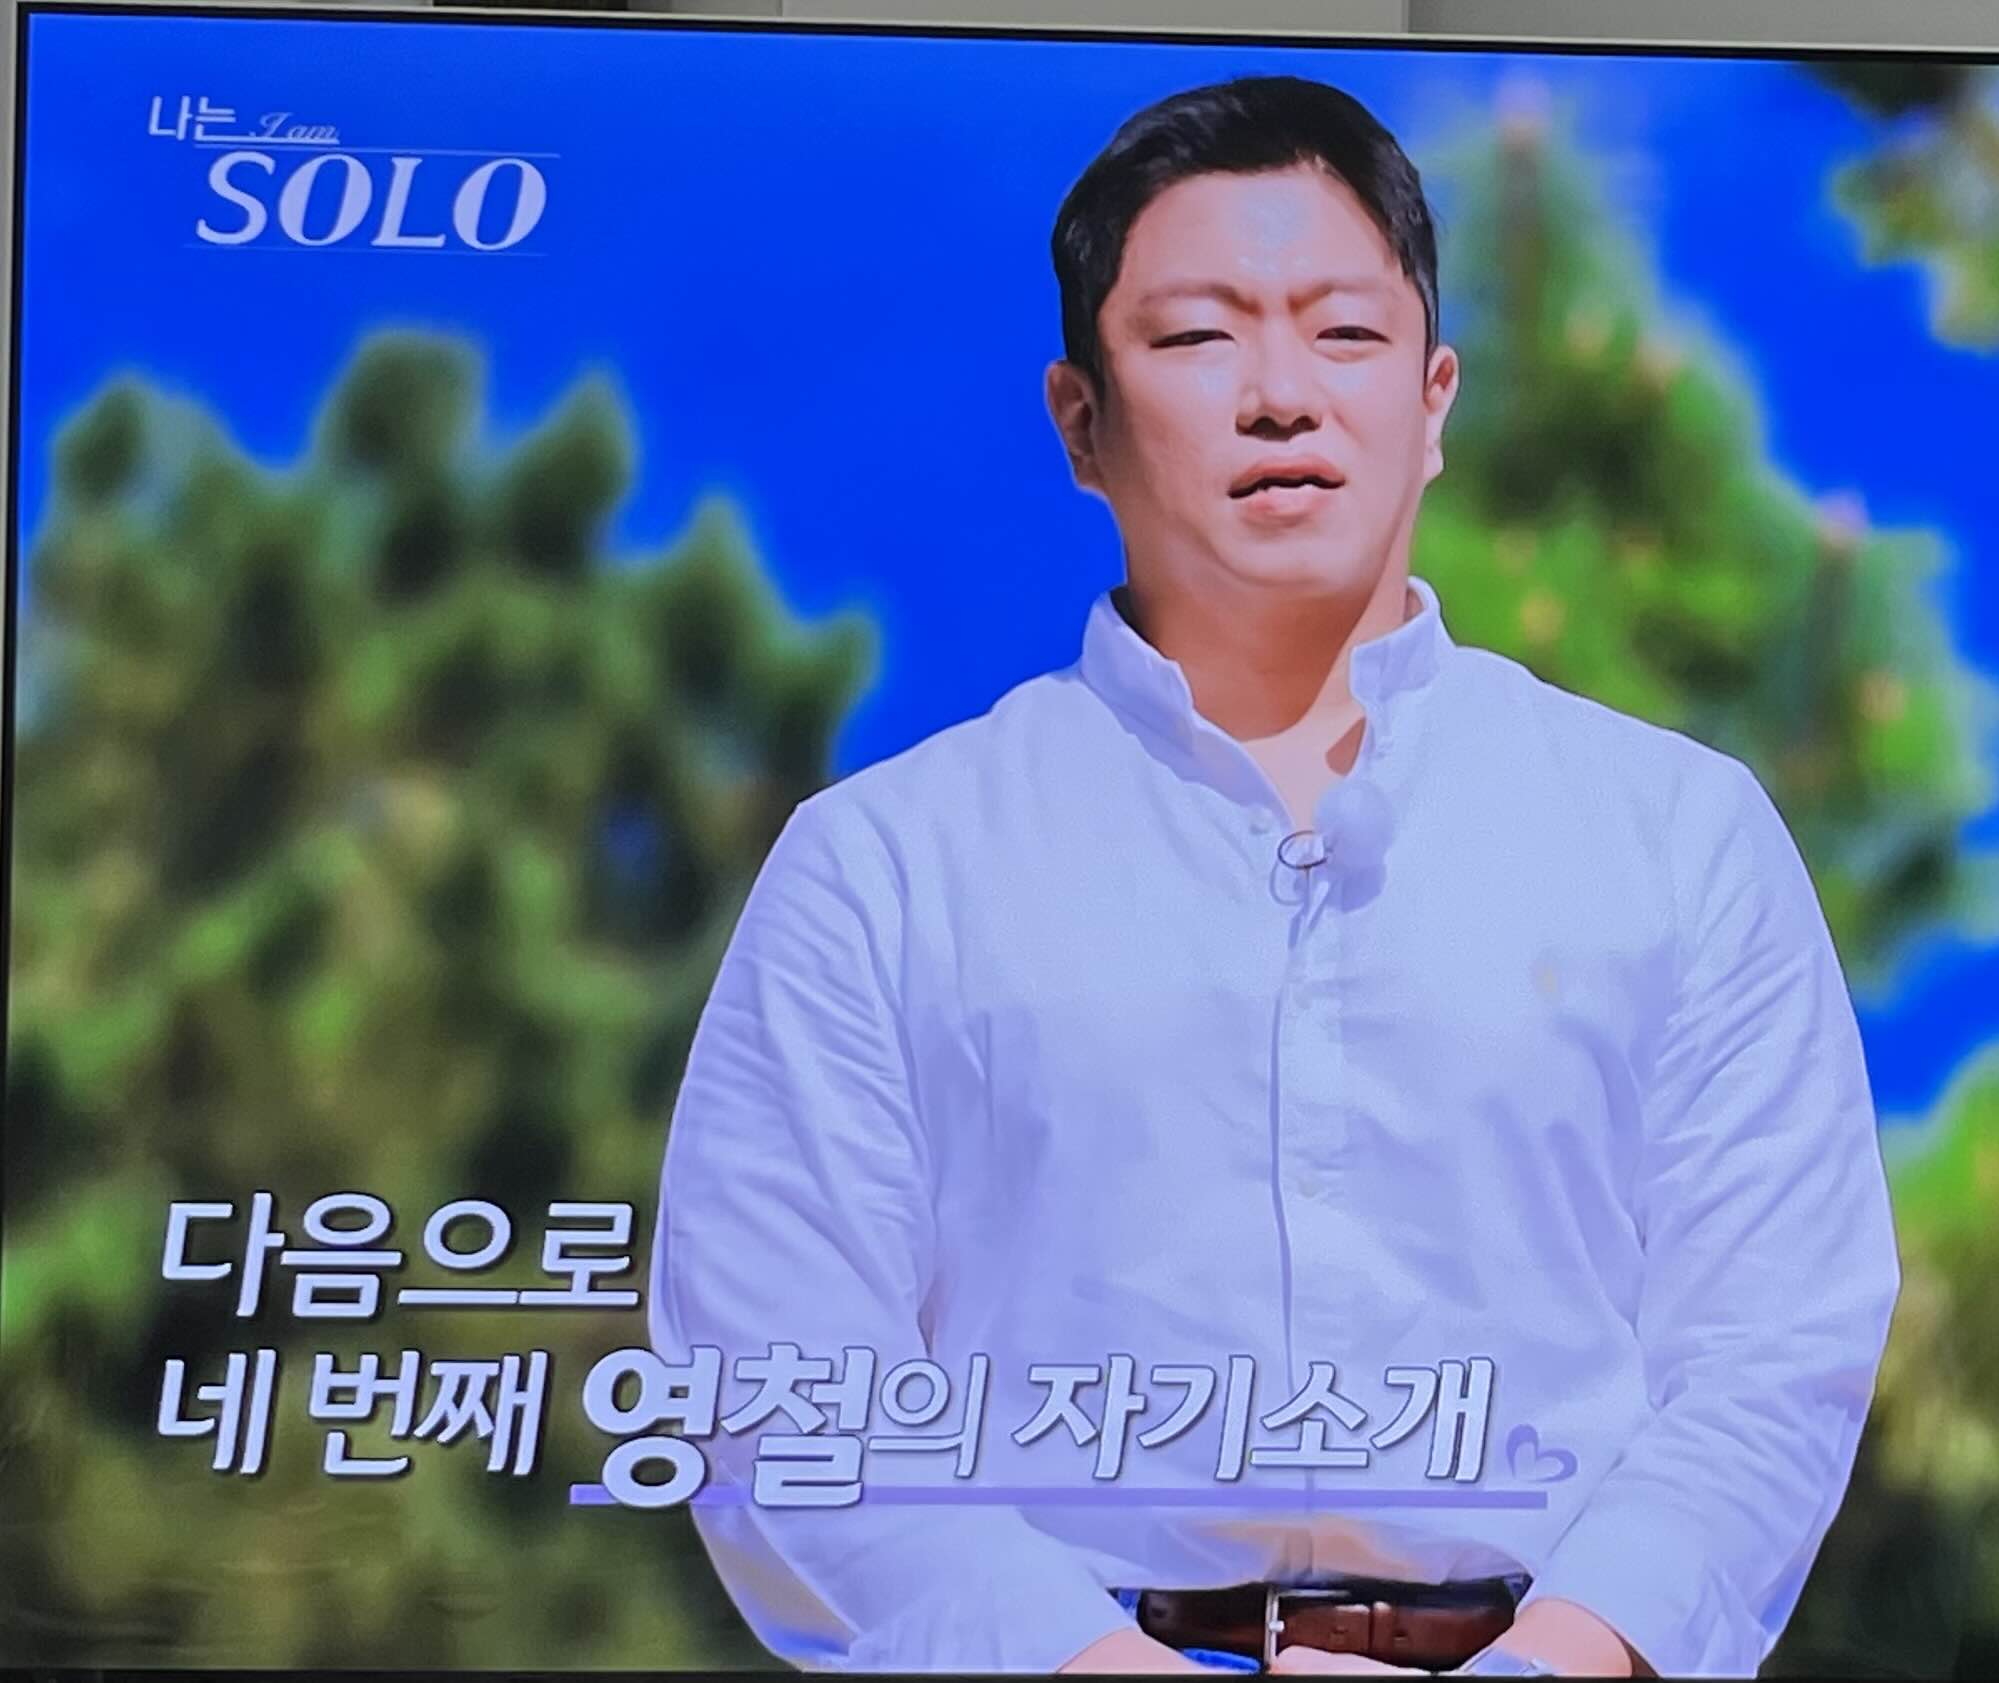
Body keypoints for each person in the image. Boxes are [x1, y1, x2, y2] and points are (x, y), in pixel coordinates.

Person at [649, 74, 1898, 1677]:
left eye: (1344, 334)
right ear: (1079, 420)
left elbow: (1771, 1350)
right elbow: (777, 1377)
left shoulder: (1676, 835)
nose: (1280, 396)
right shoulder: (885, 866)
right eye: (1195, 338)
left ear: (1434, 401)